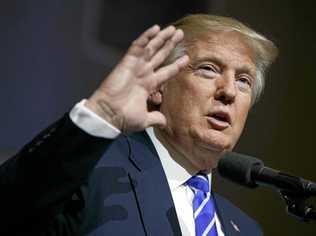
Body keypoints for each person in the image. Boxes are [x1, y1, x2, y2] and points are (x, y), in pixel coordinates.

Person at [0, 14, 278, 235]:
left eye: (244, 81)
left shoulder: (247, 229)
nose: (229, 91)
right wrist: (101, 114)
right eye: (208, 68)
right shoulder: (91, 170)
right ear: (159, 85)